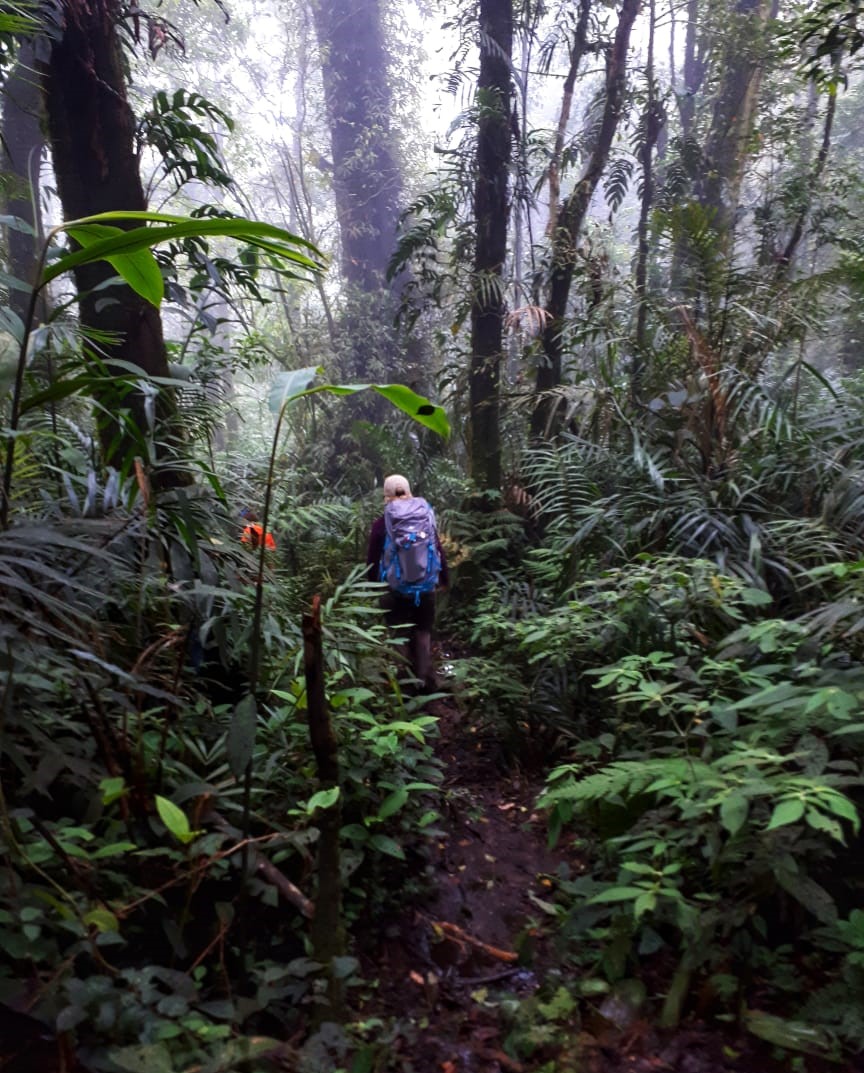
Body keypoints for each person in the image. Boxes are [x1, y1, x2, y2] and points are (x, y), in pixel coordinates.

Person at [366, 474, 448, 692]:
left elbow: (373, 560)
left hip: (396, 590)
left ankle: (405, 685)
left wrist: (373, 585)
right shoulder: (425, 514)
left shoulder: (381, 524)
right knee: (423, 633)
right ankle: (424, 681)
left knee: (399, 634)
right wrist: (443, 579)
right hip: (426, 586)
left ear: (386, 496)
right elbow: (436, 548)